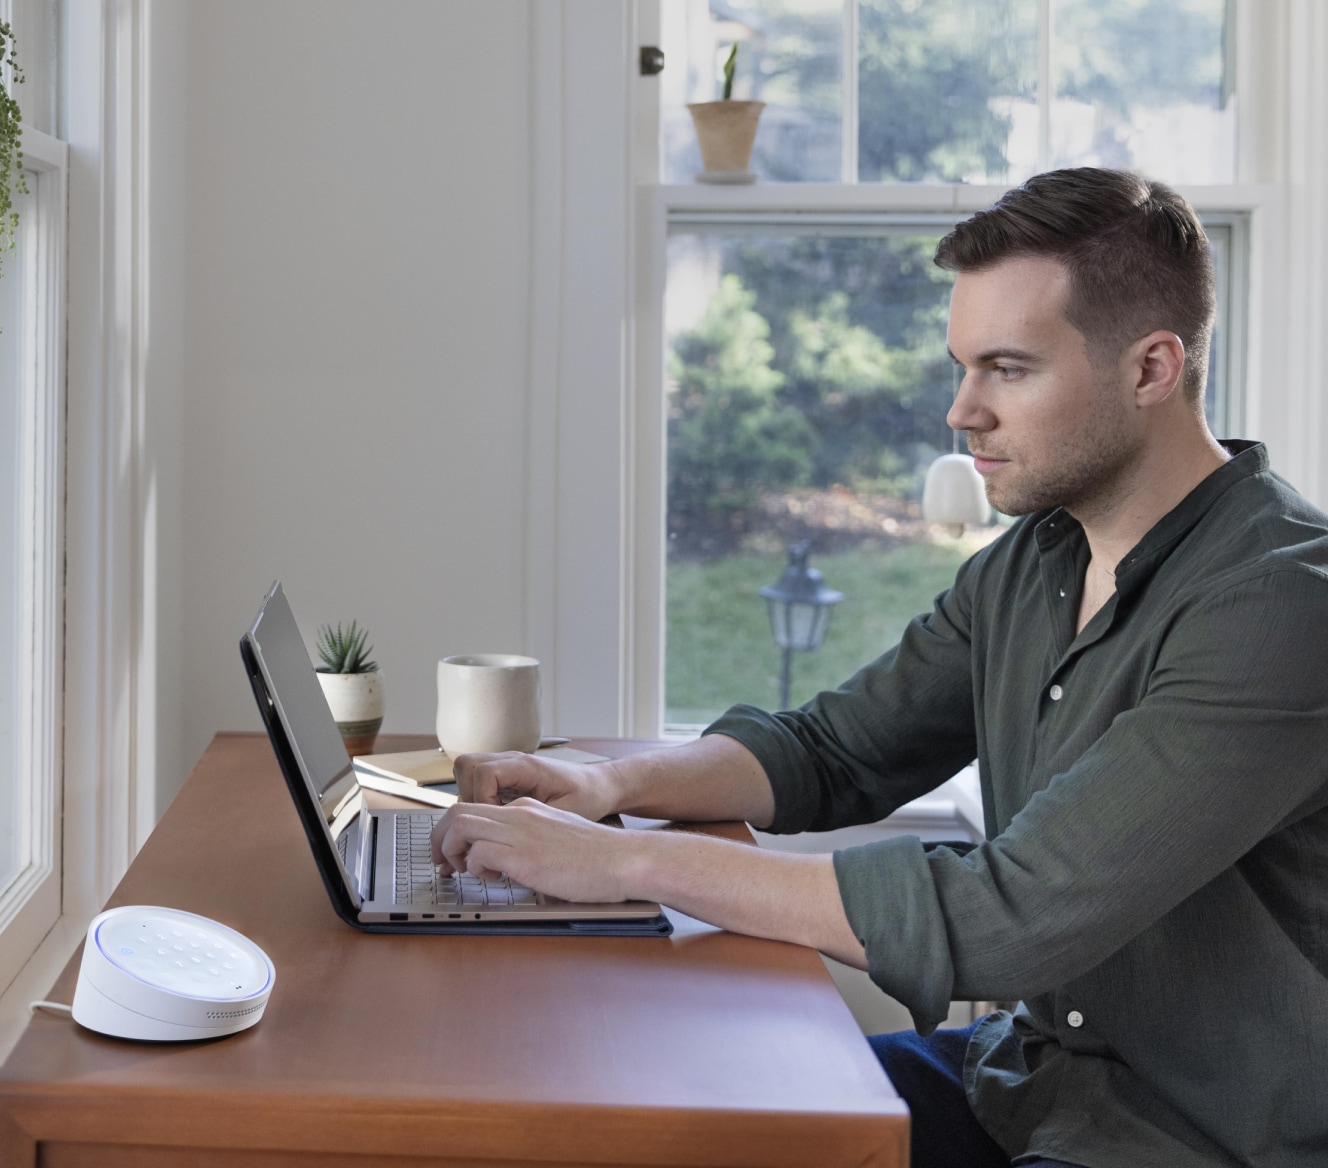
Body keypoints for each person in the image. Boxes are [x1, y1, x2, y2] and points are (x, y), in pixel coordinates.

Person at [431, 168, 1328, 1168]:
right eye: (960, 366)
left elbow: (1004, 918)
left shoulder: (1284, 605)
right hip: (1025, 1085)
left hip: (1193, 1142)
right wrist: (608, 784)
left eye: (1006, 368)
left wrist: (622, 864)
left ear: (1150, 368)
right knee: (682, 1120)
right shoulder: (1033, 564)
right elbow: (833, 750)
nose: (960, 410)